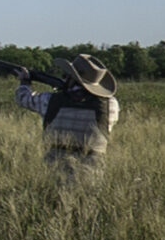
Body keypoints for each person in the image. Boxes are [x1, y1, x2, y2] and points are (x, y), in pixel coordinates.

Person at [16, 54, 120, 185]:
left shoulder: (51, 100)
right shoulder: (111, 105)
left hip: (54, 169)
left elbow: (23, 99)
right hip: (92, 173)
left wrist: (24, 82)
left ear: (72, 78)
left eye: (66, 75)